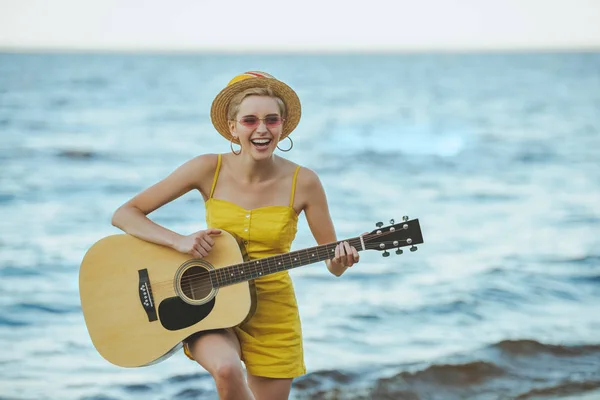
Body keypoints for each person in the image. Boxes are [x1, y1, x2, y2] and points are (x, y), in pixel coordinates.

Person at [111, 71, 360, 400]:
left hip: (273, 313)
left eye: (271, 120)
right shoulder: (206, 169)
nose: (261, 129)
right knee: (226, 370)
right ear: (233, 127)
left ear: (283, 126)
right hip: (208, 305)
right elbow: (125, 214)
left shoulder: (306, 182)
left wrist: (341, 261)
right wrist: (179, 241)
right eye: (250, 120)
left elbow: (331, 261)